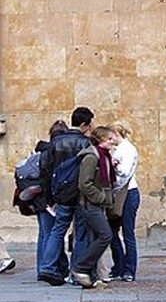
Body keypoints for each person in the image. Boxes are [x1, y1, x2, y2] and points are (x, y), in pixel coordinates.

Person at [39, 106, 95, 285]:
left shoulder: (56, 142)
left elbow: (46, 170)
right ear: (85, 124)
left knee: (57, 231)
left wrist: (50, 196)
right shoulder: (86, 143)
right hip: (79, 194)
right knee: (80, 233)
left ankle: (47, 267)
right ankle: (76, 272)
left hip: (61, 194)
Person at [69, 125, 116, 288]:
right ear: (101, 140)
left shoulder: (105, 156)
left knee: (94, 238)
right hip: (90, 204)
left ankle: (90, 276)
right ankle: (80, 267)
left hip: (97, 204)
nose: (113, 141)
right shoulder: (92, 157)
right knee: (105, 235)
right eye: (110, 139)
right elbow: (84, 183)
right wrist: (101, 197)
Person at [32, 119, 69, 280]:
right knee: (54, 233)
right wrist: (51, 200)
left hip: (39, 198)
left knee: (45, 234)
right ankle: (49, 267)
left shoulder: (41, 152)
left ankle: (43, 267)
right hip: (52, 199)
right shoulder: (57, 153)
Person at [108, 119, 140, 283]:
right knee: (112, 232)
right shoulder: (118, 149)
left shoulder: (127, 149)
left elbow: (125, 173)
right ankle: (119, 265)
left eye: (110, 136)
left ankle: (129, 269)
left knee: (128, 232)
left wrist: (114, 167)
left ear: (116, 134)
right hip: (120, 193)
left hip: (127, 193)